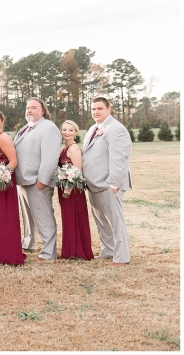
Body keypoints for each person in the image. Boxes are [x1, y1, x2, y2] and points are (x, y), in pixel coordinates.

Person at [83, 97, 132, 266]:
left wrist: (113, 184)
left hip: (109, 184)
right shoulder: (92, 129)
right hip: (94, 184)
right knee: (101, 220)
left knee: (116, 220)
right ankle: (108, 250)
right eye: (93, 109)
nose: (96, 111)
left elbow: (119, 158)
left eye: (99, 108)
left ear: (108, 109)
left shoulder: (116, 129)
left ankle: (122, 256)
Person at [13, 97, 62, 261]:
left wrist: (43, 180)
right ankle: (28, 242)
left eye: (33, 108)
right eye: (27, 108)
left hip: (37, 181)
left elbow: (50, 157)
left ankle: (48, 253)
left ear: (42, 111)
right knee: (27, 217)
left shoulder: (49, 128)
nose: (29, 110)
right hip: (23, 180)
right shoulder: (26, 128)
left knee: (43, 217)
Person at [0, 110, 26, 265]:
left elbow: (13, 161)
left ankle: (8, 252)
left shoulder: (4, 138)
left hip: (3, 182)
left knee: (5, 216)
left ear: (2, 122)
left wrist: (1, 176)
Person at [57, 120, 93, 260]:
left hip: (72, 189)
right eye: (64, 130)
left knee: (74, 217)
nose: (67, 132)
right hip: (64, 187)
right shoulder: (63, 148)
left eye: (70, 130)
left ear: (76, 132)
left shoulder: (73, 148)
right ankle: (70, 250)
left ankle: (78, 251)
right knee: (67, 218)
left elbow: (78, 170)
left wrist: (69, 188)